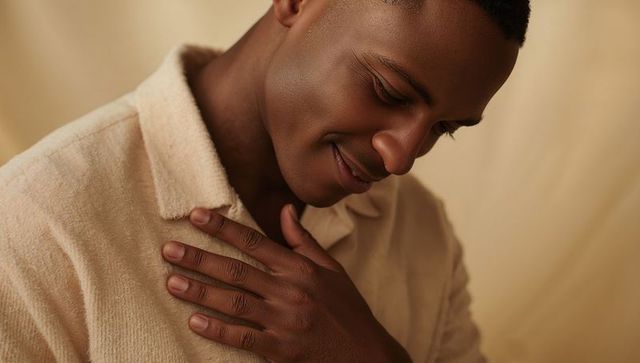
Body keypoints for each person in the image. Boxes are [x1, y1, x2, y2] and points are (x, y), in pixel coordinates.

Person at [0, 0, 530, 361]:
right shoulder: (35, 222)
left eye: (445, 129)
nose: (400, 158)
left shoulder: (419, 229)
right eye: (389, 92)